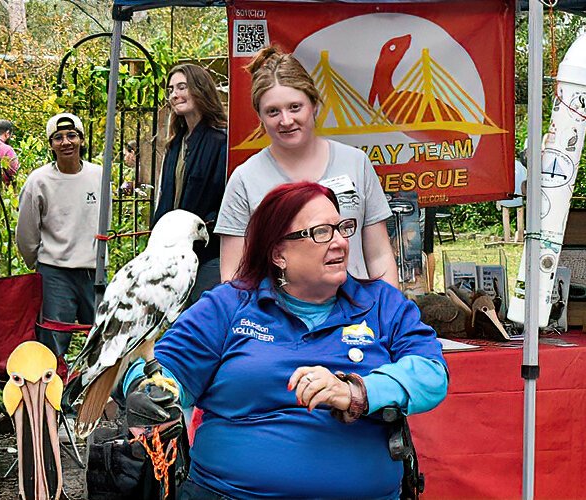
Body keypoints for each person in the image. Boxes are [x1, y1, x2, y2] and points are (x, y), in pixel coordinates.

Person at [130, 181, 447, 498]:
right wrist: (147, 389)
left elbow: (432, 374)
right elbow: (156, 374)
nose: (340, 243)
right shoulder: (229, 305)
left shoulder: (381, 304)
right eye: (321, 232)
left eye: (342, 228)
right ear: (278, 253)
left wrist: (356, 391)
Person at [216, 46, 398, 286]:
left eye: (295, 107)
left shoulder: (356, 163)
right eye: (273, 111)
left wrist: (387, 315)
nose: (286, 120)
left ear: (314, 104)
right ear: (259, 117)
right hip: (277, 318)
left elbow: (379, 255)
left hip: (355, 316)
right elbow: (233, 274)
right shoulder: (244, 179)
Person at [16, 112, 103, 356]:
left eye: (72, 136)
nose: (66, 142)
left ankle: (95, 393)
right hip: (55, 273)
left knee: (100, 339)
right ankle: (54, 392)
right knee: (52, 344)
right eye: (58, 138)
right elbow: (26, 232)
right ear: (51, 144)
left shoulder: (98, 176)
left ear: (82, 140)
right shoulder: (39, 181)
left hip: (92, 271)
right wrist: (39, 263)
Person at [154, 64, 229, 305]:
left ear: (200, 89)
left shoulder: (221, 141)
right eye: (171, 89)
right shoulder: (175, 145)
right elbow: (166, 198)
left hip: (207, 253)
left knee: (197, 317)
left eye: (182, 87)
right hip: (170, 255)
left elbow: (226, 200)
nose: (174, 94)